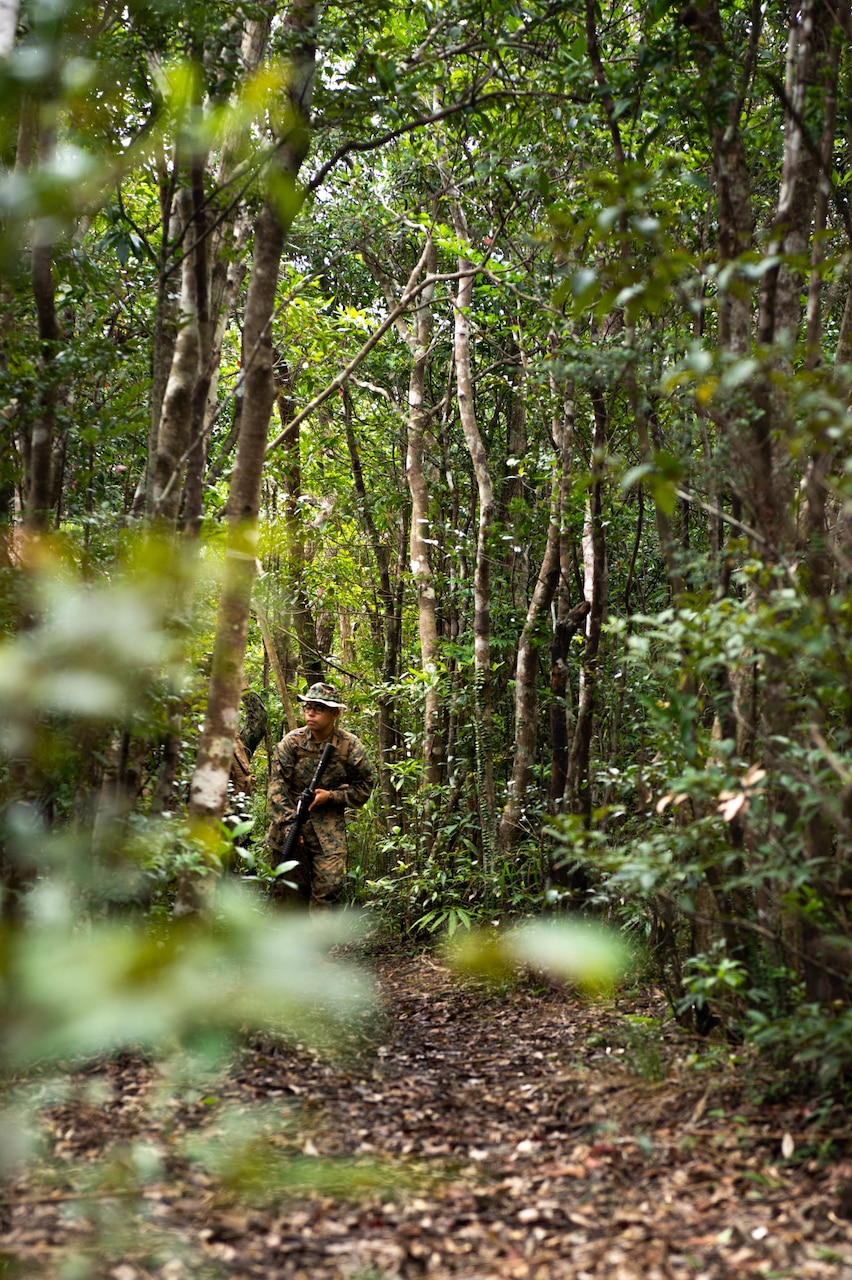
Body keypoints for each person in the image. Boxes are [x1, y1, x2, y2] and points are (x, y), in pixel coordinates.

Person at [265, 681, 375, 908]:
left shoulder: (349, 746)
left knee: (328, 892)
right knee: (289, 898)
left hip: (328, 833)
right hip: (290, 829)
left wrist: (331, 796)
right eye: (308, 707)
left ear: (335, 713)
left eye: (319, 708)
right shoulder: (291, 743)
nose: (311, 712)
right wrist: (288, 825)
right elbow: (276, 787)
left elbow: (365, 786)